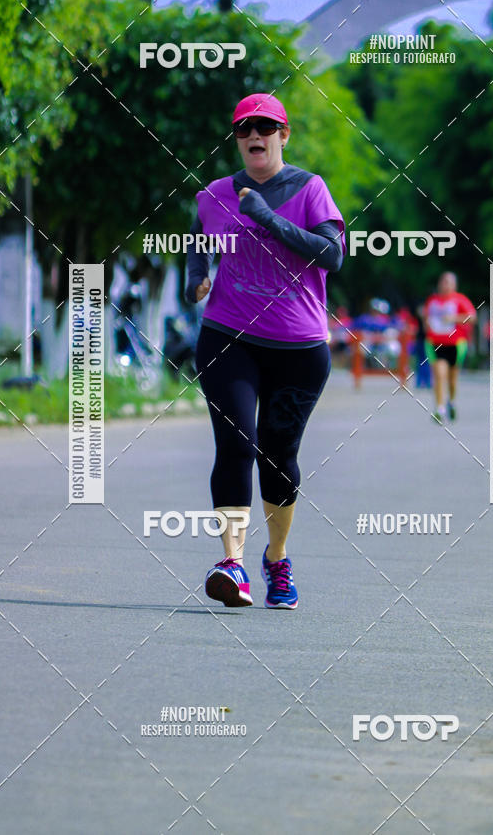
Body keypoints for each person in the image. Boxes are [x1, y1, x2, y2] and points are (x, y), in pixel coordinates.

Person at [185, 93, 345, 608]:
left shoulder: (309, 188)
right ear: (237, 139)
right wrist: (196, 275)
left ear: (284, 135)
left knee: (279, 457)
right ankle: (231, 565)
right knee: (236, 444)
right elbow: (197, 237)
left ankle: (276, 557)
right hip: (228, 337)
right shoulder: (216, 193)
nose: (255, 134)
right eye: (244, 128)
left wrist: (267, 217)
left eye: (266, 126)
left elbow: (332, 255)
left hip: (299, 348)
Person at [423, 272, 476, 423]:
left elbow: (472, 317)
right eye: (443, 281)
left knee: (452, 379)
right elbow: (426, 317)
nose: (445, 285)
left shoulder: (460, 300)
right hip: (435, 343)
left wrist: (454, 318)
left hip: (455, 344)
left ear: (454, 285)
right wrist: (427, 323)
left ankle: (451, 401)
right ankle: (440, 409)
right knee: (439, 375)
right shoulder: (432, 300)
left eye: (448, 282)